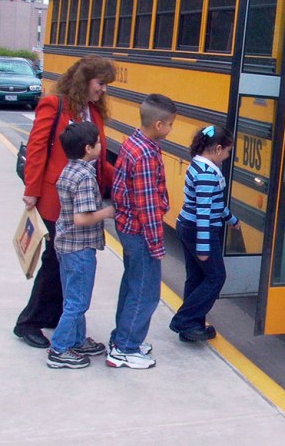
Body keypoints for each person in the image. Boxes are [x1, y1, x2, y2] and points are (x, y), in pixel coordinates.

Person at [14, 55, 116, 349]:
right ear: (84, 80)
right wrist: (31, 189)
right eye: (101, 83)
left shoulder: (93, 112)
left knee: (63, 263)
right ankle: (28, 323)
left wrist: (119, 175)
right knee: (54, 261)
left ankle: (55, 315)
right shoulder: (54, 105)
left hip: (79, 199)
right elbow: (36, 149)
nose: (104, 90)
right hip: (53, 199)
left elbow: (98, 160)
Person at [106, 93, 176, 369]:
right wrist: (157, 246)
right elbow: (147, 207)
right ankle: (125, 348)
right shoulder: (146, 154)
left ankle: (122, 337)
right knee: (145, 291)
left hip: (127, 227)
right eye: (171, 124)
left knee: (132, 285)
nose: (171, 129)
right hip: (140, 232)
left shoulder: (133, 142)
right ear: (159, 125)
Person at [47, 122, 115, 369]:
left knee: (72, 297)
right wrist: (107, 212)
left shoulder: (68, 170)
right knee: (78, 301)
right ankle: (60, 349)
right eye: (97, 142)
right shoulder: (85, 176)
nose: (100, 145)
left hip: (65, 245)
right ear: (88, 148)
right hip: (79, 248)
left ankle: (77, 340)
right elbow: (81, 218)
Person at [169, 125, 240, 342]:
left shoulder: (198, 166)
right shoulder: (207, 174)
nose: (227, 156)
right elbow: (203, 211)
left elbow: (213, 202)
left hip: (187, 226)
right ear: (218, 149)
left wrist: (230, 220)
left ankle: (192, 327)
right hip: (201, 230)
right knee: (216, 277)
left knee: (196, 277)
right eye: (228, 152)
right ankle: (185, 320)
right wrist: (203, 246)